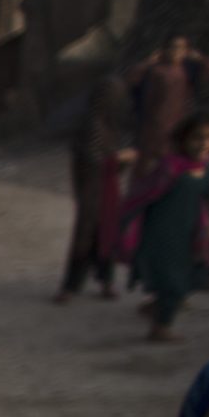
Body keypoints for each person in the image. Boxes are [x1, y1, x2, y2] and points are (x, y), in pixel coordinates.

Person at [118, 116, 209, 344]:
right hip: (162, 232)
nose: (204, 143)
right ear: (183, 140)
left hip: (190, 232)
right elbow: (144, 193)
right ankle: (161, 327)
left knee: (184, 276)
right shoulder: (170, 166)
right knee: (171, 279)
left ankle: (157, 306)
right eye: (197, 138)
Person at [57, 72, 138, 303]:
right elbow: (93, 160)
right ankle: (71, 286)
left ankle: (105, 280)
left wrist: (119, 160)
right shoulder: (92, 125)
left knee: (107, 232)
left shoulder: (113, 128)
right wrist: (120, 158)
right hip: (91, 189)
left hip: (107, 189)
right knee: (85, 233)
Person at [128, 35, 209, 163]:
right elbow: (132, 79)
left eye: (181, 48)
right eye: (173, 47)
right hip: (155, 125)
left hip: (180, 123)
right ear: (164, 50)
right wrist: (148, 62)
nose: (176, 51)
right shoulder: (157, 70)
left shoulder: (187, 71)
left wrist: (200, 58)